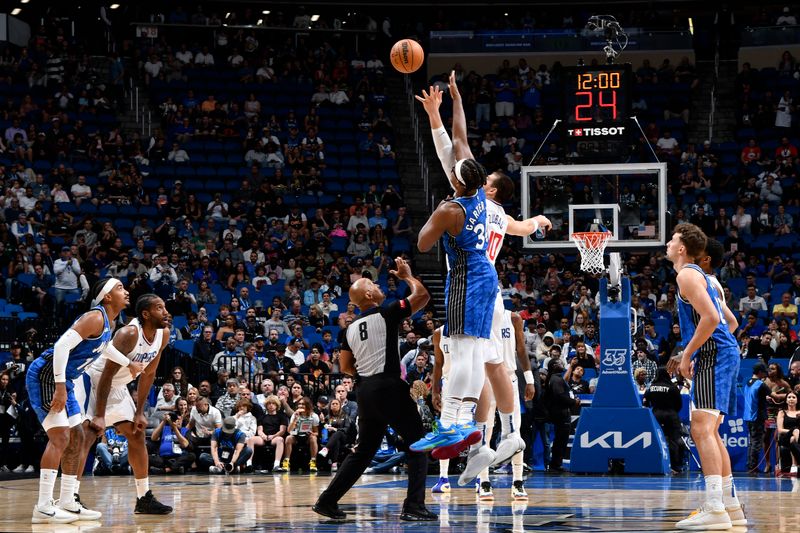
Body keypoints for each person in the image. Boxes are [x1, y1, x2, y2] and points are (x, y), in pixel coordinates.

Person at [414, 72, 549, 480]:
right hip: (492, 290)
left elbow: (451, 147)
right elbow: (456, 147)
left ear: (485, 188)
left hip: (470, 282)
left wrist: (442, 110)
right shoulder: (497, 212)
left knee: (467, 355)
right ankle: (506, 435)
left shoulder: (462, 204)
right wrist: (538, 221)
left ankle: (462, 425)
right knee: (493, 364)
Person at [313, 257, 436, 522]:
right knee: (418, 443)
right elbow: (423, 296)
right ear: (369, 294)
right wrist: (407, 275)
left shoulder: (349, 329)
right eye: (374, 283)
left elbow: (345, 366)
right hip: (389, 385)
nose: (380, 285)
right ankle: (414, 506)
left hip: (366, 390)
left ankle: (327, 501)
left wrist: (369, 376)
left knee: (363, 452)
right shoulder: (387, 312)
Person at [26, 278, 132, 524]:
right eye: (119, 288)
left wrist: (129, 363)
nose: (126, 291)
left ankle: (67, 502)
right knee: (61, 437)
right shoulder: (95, 317)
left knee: (79, 438)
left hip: (66, 381)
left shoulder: (109, 323)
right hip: (47, 376)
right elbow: (61, 346)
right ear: (106, 296)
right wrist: (60, 387)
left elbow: (104, 348)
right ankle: (43, 506)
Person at [666, 224, 746, 529]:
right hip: (722, 354)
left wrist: (689, 354)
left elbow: (713, 319)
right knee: (709, 431)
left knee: (700, 429)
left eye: (672, 240)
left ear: (683, 248)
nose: (669, 244)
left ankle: (714, 508)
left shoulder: (687, 274)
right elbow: (731, 322)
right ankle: (729, 506)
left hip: (715, 356)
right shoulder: (708, 280)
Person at [74, 293, 173, 514]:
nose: (165, 312)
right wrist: (99, 415)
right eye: (159, 308)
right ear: (146, 314)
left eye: (164, 307)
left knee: (137, 433)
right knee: (87, 436)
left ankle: (143, 498)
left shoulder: (163, 334)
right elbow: (107, 375)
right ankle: (71, 497)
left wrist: (139, 412)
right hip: (95, 381)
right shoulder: (129, 333)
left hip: (117, 387)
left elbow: (149, 373)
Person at [471, 311, 537, 499]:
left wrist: (529, 379)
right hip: (484, 380)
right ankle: (484, 482)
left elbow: (522, 350)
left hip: (508, 378)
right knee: (484, 433)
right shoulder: (478, 317)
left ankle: (518, 482)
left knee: (514, 431)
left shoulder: (513, 318)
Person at [643, 367, 684, 473]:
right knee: (674, 440)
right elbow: (679, 404)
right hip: (671, 415)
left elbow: (645, 403)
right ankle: (676, 467)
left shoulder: (651, 388)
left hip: (655, 416)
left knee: (654, 441)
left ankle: (654, 465)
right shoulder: (673, 388)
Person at [743, 363, 771, 472]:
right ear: (760, 372)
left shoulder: (747, 382)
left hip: (748, 416)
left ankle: (750, 465)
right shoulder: (761, 384)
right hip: (757, 417)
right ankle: (753, 467)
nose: (765, 374)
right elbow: (773, 395)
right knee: (756, 442)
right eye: (764, 372)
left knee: (752, 442)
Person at [777, 391, 800, 474]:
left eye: (794, 397)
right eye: (789, 397)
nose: (791, 399)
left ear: (797, 400)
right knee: (794, 433)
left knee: (793, 438)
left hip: (797, 437)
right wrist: (793, 431)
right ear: (786, 400)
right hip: (785, 438)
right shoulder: (782, 412)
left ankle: (794, 465)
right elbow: (780, 430)